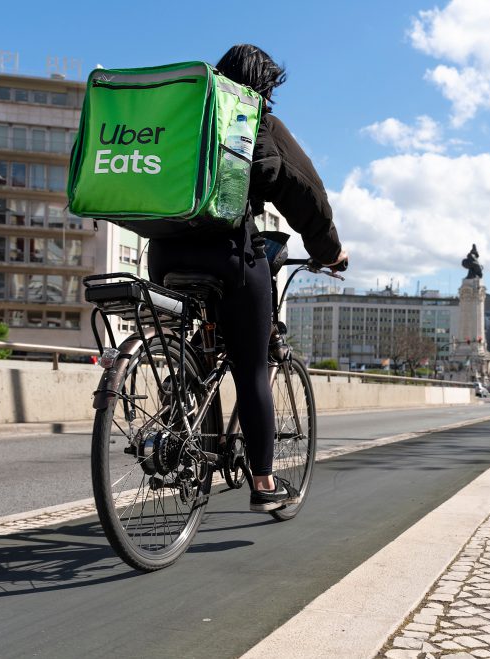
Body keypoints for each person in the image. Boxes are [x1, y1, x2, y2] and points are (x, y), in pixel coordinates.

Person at [147, 44, 347, 512]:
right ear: (265, 85)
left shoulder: (184, 116)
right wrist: (329, 251)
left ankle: (185, 418)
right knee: (252, 367)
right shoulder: (252, 118)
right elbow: (303, 191)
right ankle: (263, 482)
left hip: (164, 254)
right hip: (228, 255)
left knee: (194, 346)